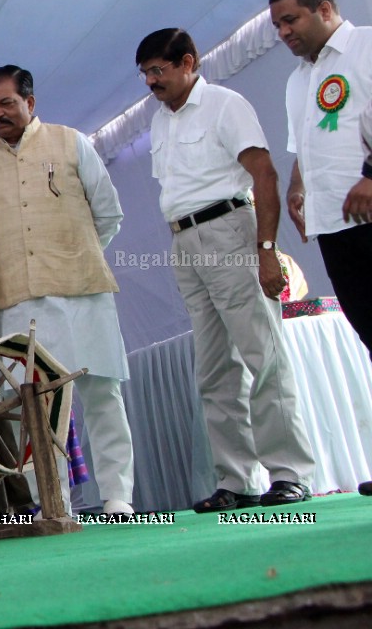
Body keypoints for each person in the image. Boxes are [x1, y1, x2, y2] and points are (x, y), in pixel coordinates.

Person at [138, 29, 314, 511]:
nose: (151, 82)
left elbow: (265, 173)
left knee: (263, 355)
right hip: (184, 239)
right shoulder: (159, 121)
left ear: (188, 61)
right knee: (214, 367)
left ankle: (289, 473)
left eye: (159, 70)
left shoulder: (223, 103)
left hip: (231, 228)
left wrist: (266, 248)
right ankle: (235, 480)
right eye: (146, 74)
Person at [0, 66, 136, 515]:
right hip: (18, 304)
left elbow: (108, 214)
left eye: (6, 102)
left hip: (82, 292)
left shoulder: (70, 142)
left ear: (30, 101)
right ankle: (54, 502)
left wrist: (73, 256)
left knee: (102, 393)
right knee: (35, 408)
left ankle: (117, 497)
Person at [270, 0, 372, 356]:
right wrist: (298, 186)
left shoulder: (366, 45)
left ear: (324, 9)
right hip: (332, 225)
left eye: (290, 20)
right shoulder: (297, 81)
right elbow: (303, 147)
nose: (282, 32)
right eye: (277, 26)